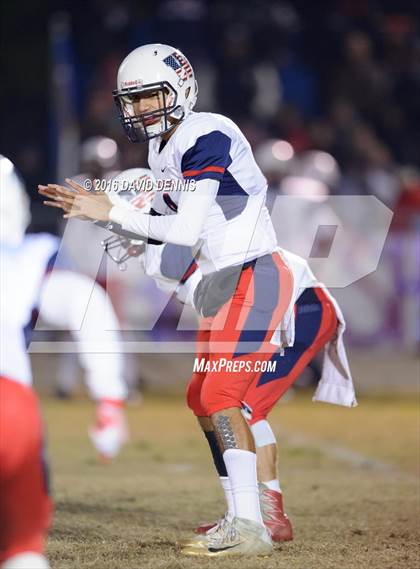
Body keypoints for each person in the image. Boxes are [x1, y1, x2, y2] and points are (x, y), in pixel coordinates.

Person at [38, 43, 354, 557]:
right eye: (131, 101)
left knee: (224, 398)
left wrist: (115, 211)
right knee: (202, 399)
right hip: (220, 281)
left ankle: (252, 525)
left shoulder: (205, 132)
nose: (140, 110)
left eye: (149, 98)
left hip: (253, 273)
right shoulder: (161, 151)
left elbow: (183, 226)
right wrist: (110, 210)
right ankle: (242, 515)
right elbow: (170, 224)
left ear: (181, 89)